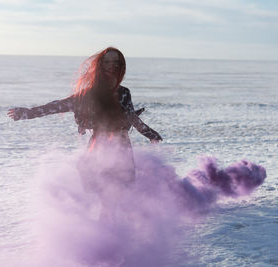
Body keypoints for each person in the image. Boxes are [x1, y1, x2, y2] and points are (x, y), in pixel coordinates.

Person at [8, 47, 162, 221]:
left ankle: (110, 234)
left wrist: (150, 134)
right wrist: (28, 113)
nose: (112, 66)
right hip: (99, 146)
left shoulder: (124, 92)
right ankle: (96, 233)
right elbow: (58, 105)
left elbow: (132, 118)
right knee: (105, 195)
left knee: (115, 196)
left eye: (116, 62)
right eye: (107, 62)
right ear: (100, 65)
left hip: (122, 147)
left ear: (121, 66)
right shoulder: (88, 94)